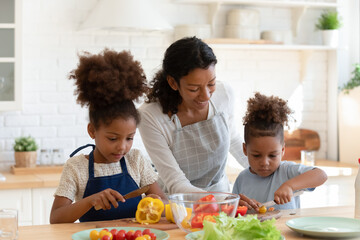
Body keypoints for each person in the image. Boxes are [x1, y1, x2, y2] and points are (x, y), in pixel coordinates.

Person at [138, 36, 259, 209]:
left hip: (222, 198)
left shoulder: (224, 94)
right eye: (194, 89)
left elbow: (232, 138)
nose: (206, 96)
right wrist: (223, 201)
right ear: (173, 83)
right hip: (179, 207)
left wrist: (268, 169)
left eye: (211, 83)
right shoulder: (150, 116)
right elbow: (175, 181)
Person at [50, 49, 166, 223]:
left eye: (129, 138)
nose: (122, 147)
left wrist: (159, 204)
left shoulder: (136, 161)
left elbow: (163, 202)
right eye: (113, 138)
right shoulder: (76, 168)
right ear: (92, 131)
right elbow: (56, 218)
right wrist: (90, 200)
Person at [232, 92, 328, 210]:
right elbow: (233, 210)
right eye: (257, 155)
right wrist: (238, 206)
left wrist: (289, 186)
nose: (265, 162)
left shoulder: (287, 172)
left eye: (272, 155)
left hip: (285, 228)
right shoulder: (242, 179)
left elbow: (321, 175)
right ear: (245, 149)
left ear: (282, 150)